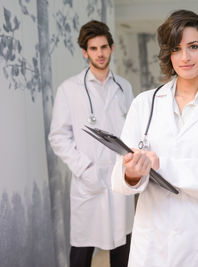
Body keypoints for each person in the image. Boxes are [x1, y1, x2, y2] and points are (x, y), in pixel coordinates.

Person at [111, 9, 198, 267]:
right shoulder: (145, 104)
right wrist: (132, 173)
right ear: (168, 54)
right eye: (176, 48)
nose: (185, 57)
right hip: (155, 243)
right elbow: (118, 180)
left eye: (193, 46)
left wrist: (164, 166)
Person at [48, 20, 134, 267]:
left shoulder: (124, 87)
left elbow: (132, 131)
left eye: (104, 47)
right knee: (82, 251)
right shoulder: (69, 89)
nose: (100, 53)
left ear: (111, 48)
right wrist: (84, 169)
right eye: (94, 49)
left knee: (123, 246)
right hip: (89, 181)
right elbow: (58, 136)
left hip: (119, 179)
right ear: (85, 52)